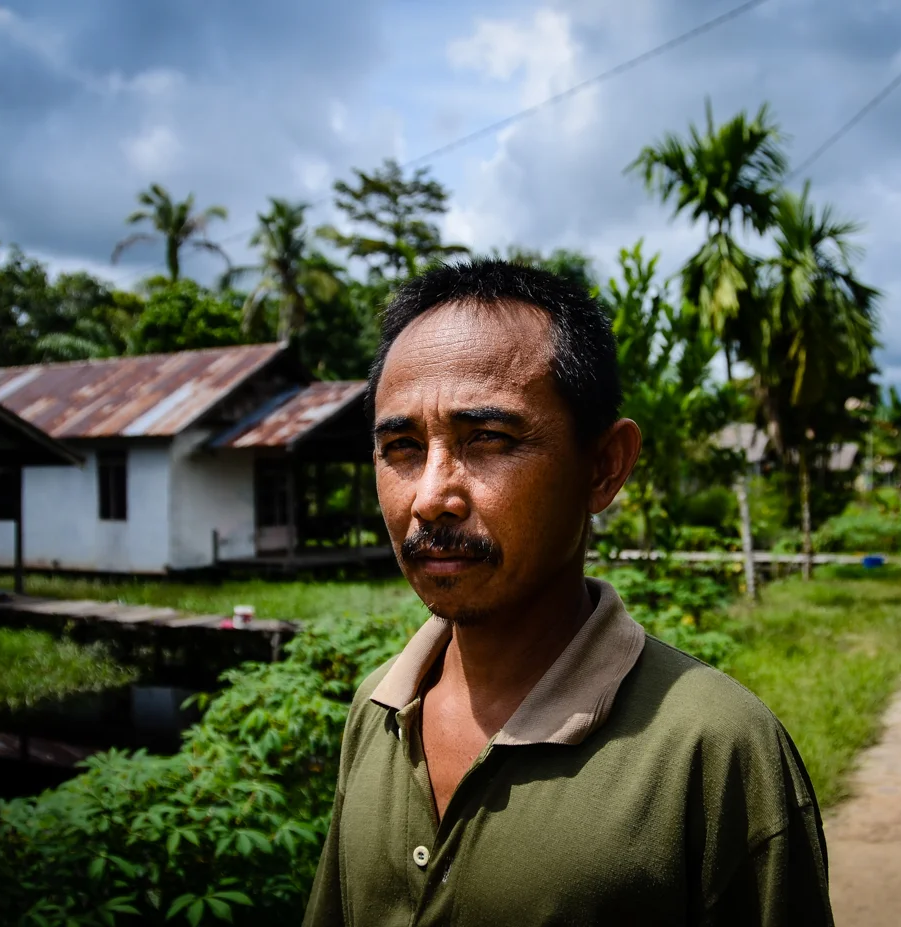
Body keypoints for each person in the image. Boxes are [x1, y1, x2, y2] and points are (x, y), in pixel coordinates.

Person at [304, 260, 833, 926]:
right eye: (403, 446)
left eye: (489, 438)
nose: (432, 496)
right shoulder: (380, 707)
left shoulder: (715, 749)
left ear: (604, 466)